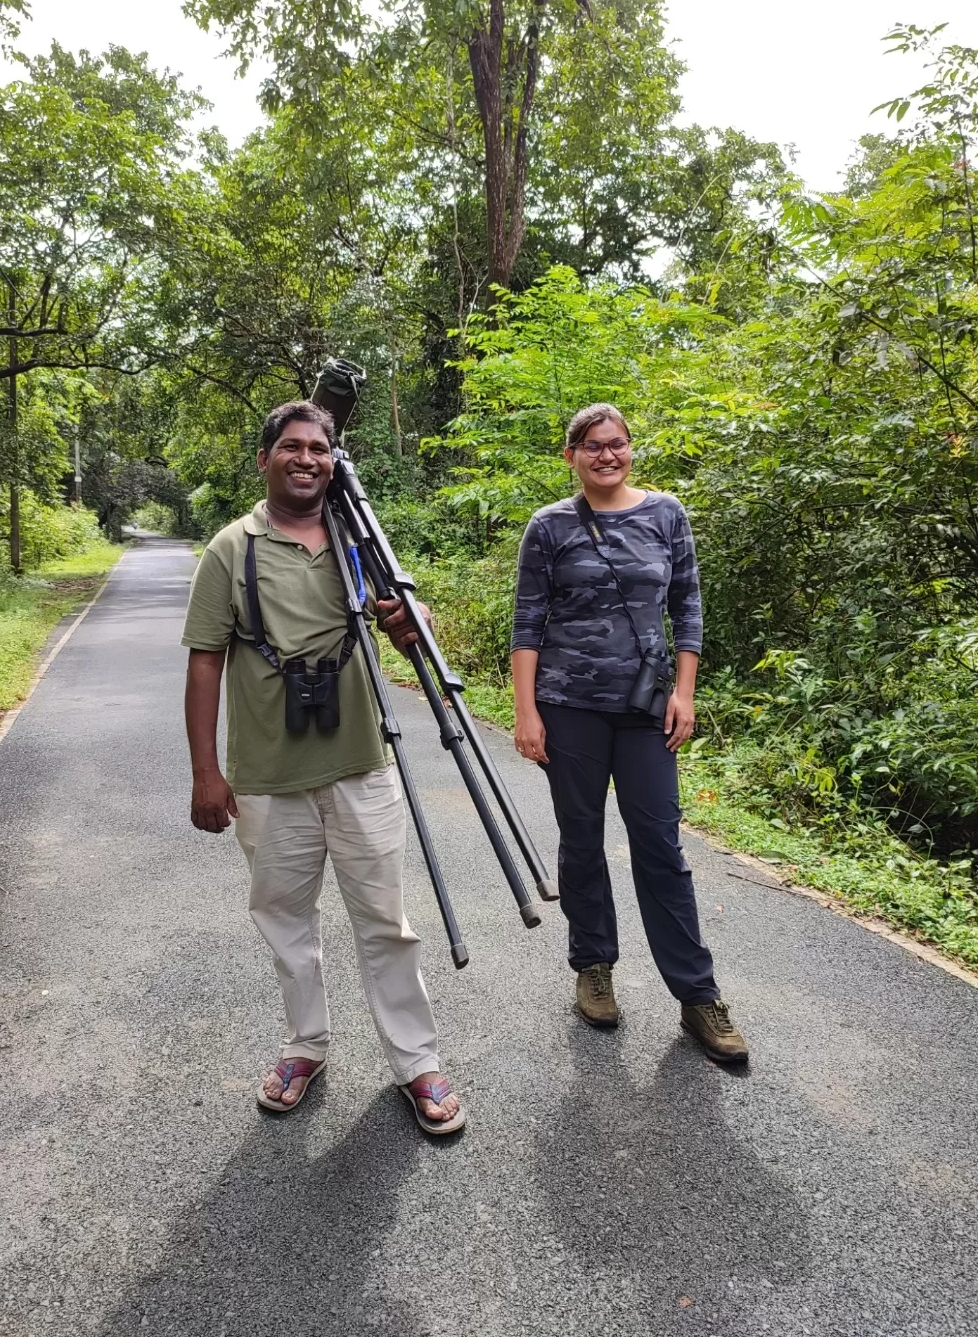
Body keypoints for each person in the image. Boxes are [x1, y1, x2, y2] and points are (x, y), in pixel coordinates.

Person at [181, 399, 464, 1133]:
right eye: (292, 447)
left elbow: (406, 625)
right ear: (265, 458)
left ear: (333, 462)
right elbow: (206, 662)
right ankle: (305, 1046)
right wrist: (206, 773)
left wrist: (414, 621)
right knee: (284, 921)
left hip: (361, 764)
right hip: (267, 776)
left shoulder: (355, 539)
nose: (307, 459)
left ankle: (417, 1063)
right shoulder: (230, 549)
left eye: (320, 449)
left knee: (386, 922)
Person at [510, 402, 748, 1063]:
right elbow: (527, 623)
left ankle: (698, 996)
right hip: (570, 706)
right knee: (581, 839)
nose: (606, 455)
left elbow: (688, 606)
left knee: (659, 843)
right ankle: (594, 968)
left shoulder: (666, 514)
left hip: (647, 709)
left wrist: (686, 693)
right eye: (592, 446)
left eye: (616, 445)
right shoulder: (548, 527)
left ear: (630, 449)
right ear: (571, 456)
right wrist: (526, 712)